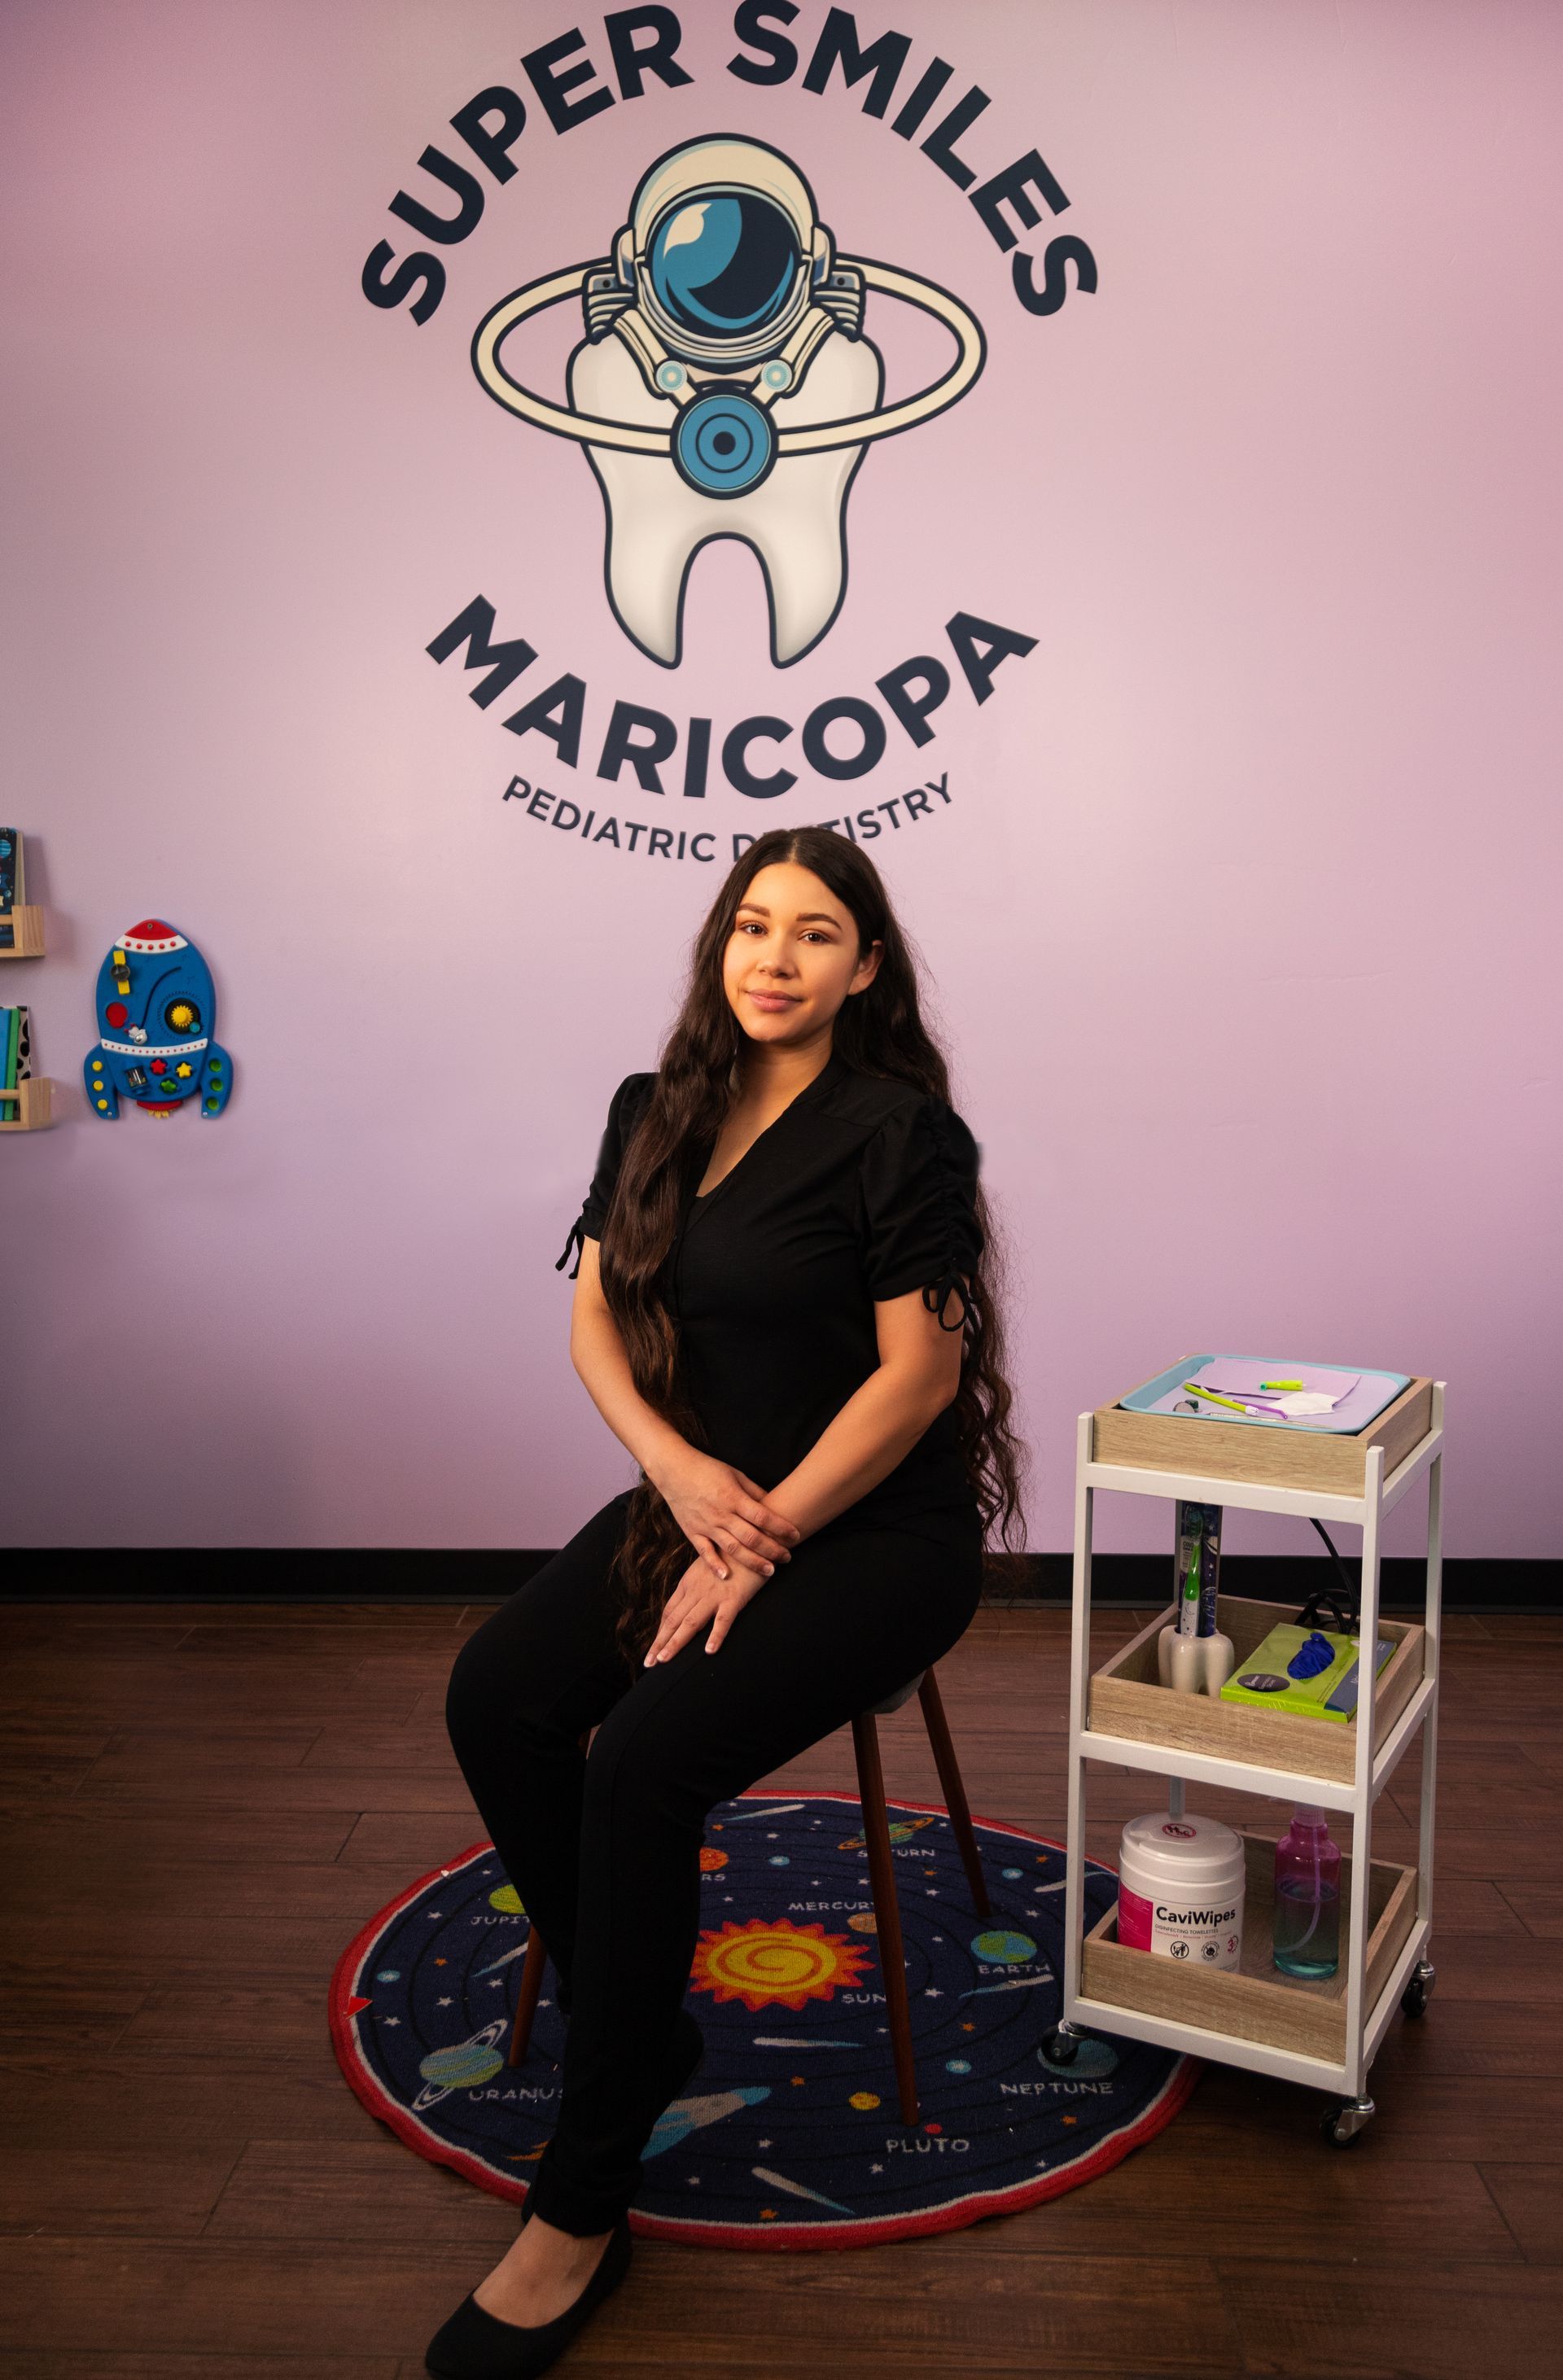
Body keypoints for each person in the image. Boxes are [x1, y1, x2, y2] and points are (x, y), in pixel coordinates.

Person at [427, 827, 1027, 2378]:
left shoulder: (904, 1136)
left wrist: (756, 1539)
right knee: (497, 1697)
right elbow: (594, 1322)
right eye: (754, 925)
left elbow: (919, 1380)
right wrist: (681, 1474)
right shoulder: (652, 1108)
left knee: (642, 1759)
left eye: (816, 933)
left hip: (872, 1534)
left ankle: (581, 2200)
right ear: (720, 946)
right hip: (702, 1495)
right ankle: (644, 2028)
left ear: (866, 967)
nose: (776, 957)